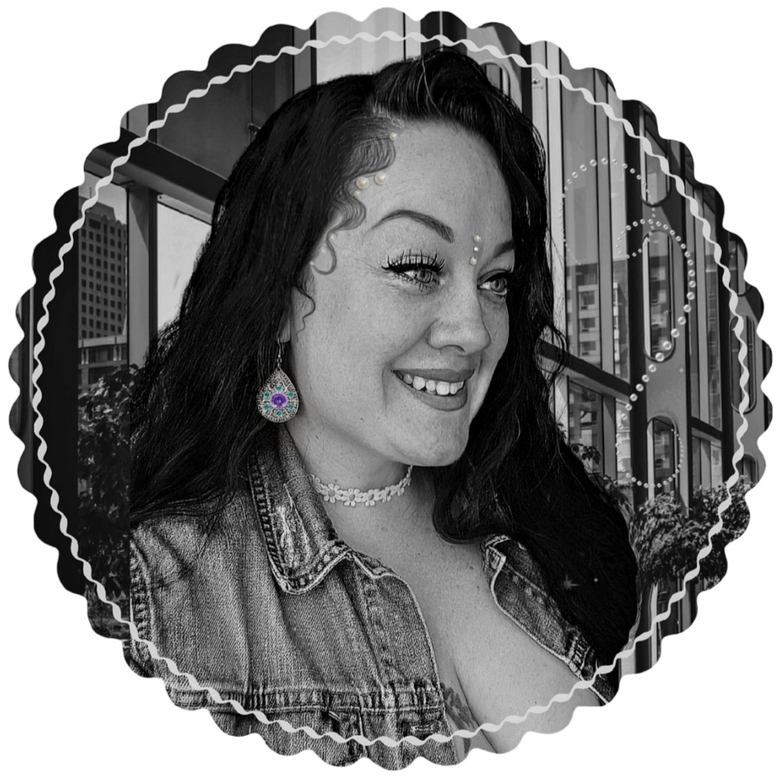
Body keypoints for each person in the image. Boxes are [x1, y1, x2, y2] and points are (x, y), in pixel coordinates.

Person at [125, 49, 638, 769]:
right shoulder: (163, 603)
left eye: (495, 281)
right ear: (279, 300)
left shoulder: (535, 523)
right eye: (416, 267)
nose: (475, 330)